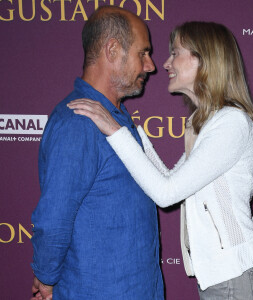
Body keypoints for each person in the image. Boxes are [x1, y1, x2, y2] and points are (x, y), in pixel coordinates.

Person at [68, 22, 253, 299]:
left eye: (175, 53)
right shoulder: (209, 123)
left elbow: (166, 194)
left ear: (204, 60)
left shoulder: (231, 123)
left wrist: (116, 131)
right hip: (227, 275)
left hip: (236, 273)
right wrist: (130, 130)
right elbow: (168, 183)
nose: (165, 64)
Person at [30, 6, 164, 300]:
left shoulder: (115, 119)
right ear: (113, 50)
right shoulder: (78, 121)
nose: (151, 65)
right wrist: (46, 277)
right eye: (142, 53)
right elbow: (54, 218)